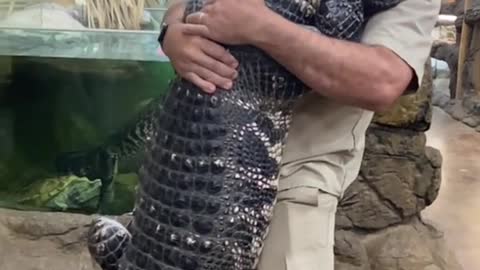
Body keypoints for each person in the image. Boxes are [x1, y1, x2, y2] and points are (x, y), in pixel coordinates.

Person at [158, 0, 441, 269]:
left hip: (298, 175)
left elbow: (381, 82)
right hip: (190, 158)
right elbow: (186, 7)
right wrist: (173, 32)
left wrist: (262, 27)